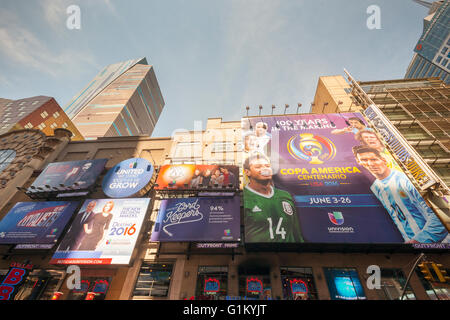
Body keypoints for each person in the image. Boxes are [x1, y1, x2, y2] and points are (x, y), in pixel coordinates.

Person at [353, 146, 449, 244]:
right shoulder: (375, 187)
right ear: (359, 163)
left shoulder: (406, 181)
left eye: (374, 159)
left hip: (436, 246)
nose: (370, 164)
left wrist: (418, 241)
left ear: (383, 160)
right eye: (364, 160)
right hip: (411, 246)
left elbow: (439, 216)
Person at [243, 153, 304, 243]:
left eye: (267, 166)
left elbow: (296, 231)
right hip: (260, 255)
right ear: (247, 172)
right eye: (258, 167)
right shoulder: (244, 198)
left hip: (290, 254)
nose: (265, 169)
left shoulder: (285, 195)